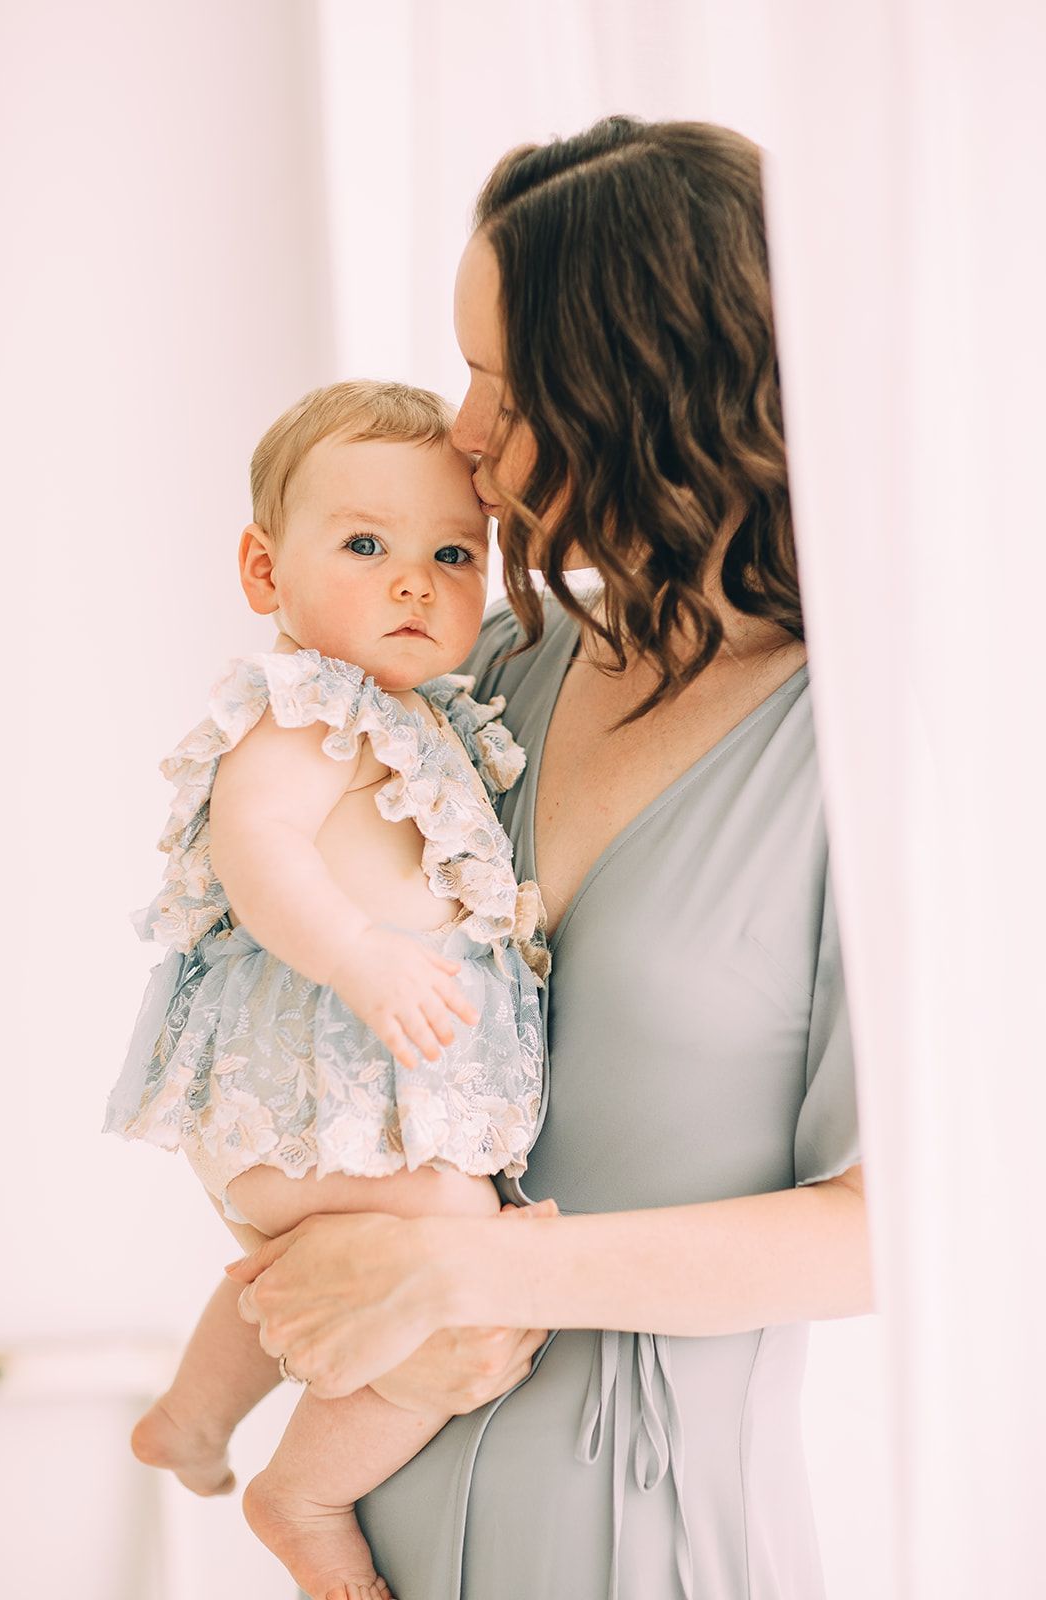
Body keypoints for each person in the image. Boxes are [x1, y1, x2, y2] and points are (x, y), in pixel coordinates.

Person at [225, 119, 871, 1600]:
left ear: (656, 394)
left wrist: (467, 1270)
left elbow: (908, 1231)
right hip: (371, 1545)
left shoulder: (856, 750)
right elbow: (277, 1006)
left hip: (648, 1548)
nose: (461, 433)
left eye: (505, 387)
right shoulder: (473, 676)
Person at [103, 379, 556, 1600]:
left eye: (451, 554)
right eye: (365, 545)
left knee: (319, 1265)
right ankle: (301, 1491)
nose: (413, 583)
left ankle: (192, 1420)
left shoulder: (424, 717)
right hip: (308, 1089)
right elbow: (257, 846)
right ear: (265, 570)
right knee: (459, 1245)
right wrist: (359, 952)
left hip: (334, 1103)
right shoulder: (308, 711)